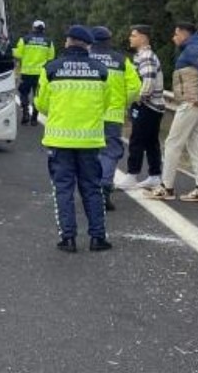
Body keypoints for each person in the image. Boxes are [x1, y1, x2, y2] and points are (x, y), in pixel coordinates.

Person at [36, 25, 112, 252]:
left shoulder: (51, 68)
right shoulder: (101, 70)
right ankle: (98, 238)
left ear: (68, 42)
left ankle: (68, 238)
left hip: (59, 141)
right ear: (87, 45)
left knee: (63, 189)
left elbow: (41, 103)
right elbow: (106, 104)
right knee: (92, 188)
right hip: (90, 141)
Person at [147, 23, 198, 203]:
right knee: (195, 146)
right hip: (195, 105)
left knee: (172, 143)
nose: (173, 38)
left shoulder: (193, 49)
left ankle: (166, 187)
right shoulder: (197, 48)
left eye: (176, 34)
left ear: (183, 34)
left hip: (190, 104)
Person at [89, 26, 141, 211]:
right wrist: (122, 102)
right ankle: (105, 185)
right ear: (109, 40)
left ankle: (91, 192)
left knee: (90, 153)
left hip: (88, 115)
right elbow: (135, 88)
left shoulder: (84, 59)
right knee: (110, 152)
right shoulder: (121, 61)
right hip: (112, 116)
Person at [116, 25, 164, 189]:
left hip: (148, 105)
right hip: (153, 106)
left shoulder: (146, 57)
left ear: (143, 38)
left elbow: (148, 82)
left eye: (134, 35)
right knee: (151, 141)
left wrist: (138, 99)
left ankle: (132, 175)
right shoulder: (142, 56)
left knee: (136, 140)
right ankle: (154, 175)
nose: (130, 38)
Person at [13, 20, 55, 125]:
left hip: (26, 72)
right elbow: (51, 57)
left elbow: (18, 54)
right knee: (37, 95)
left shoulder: (25, 39)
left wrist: (10, 49)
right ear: (43, 29)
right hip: (40, 74)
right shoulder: (48, 42)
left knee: (23, 93)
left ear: (33, 28)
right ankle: (34, 118)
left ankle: (25, 112)